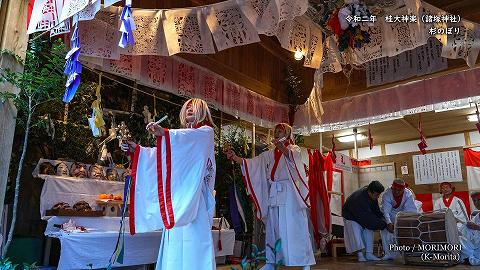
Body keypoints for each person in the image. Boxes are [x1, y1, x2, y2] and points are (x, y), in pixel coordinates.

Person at [121, 98, 216, 270]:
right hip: (178, 197)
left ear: (203, 111)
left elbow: (185, 139)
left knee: (193, 240)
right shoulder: (178, 138)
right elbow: (162, 157)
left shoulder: (205, 132)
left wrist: (164, 132)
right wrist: (139, 150)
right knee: (175, 240)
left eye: (193, 107)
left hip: (194, 198)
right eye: (187, 107)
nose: (189, 109)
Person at [224, 123, 315, 270]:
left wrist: (280, 146)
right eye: (276, 131)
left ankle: (304, 262)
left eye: (281, 131)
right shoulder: (270, 153)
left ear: (287, 133)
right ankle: (271, 261)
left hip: (290, 194)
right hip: (274, 193)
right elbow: (253, 163)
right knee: (273, 229)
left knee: (294, 228)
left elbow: (292, 158)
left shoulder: (294, 149)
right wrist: (235, 158)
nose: (277, 133)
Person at [343, 181, 386, 262]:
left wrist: (384, 219)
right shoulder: (359, 199)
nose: (378, 197)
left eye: (379, 195)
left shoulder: (372, 195)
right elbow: (368, 219)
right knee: (357, 234)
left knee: (369, 229)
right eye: (377, 195)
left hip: (360, 214)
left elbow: (376, 211)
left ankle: (369, 253)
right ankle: (360, 255)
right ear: (370, 192)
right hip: (350, 216)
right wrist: (384, 225)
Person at [380, 179, 418, 260]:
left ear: (403, 189)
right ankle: (388, 253)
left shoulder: (408, 194)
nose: (397, 192)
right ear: (392, 188)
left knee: (401, 233)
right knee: (386, 232)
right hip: (389, 214)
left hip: (401, 215)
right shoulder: (387, 194)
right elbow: (386, 211)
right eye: (395, 189)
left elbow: (409, 210)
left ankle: (402, 253)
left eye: (399, 190)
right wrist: (389, 223)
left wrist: (403, 222)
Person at [460, 192, 480, 265]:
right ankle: (470, 258)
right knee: (459, 239)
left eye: (479, 200)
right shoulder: (475, 218)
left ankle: (471, 259)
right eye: (474, 201)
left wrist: (477, 227)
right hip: (476, 244)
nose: (477, 203)